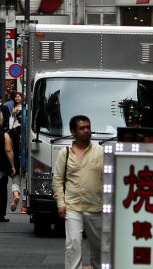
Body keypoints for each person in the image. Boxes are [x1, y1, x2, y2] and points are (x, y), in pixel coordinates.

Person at [53, 115, 104, 269]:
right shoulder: (65, 153)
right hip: (72, 207)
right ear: (73, 131)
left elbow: (111, 179)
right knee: (73, 245)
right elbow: (57, 179)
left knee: (99, 248)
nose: (86, 131)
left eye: (88, 127)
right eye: (82, 128)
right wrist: (60, 204)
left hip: (96, 208)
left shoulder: (101, 151)